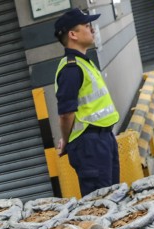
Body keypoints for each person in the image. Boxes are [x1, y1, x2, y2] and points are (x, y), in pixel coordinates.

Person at [53, 8, 121, 198]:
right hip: (89, 145)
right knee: (100, 202)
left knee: (114, 196)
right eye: (86, 25)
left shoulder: (84, 63)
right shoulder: (71, 69)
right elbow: (66, 113)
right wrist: (66, 140)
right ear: (73, 34)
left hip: (103, 138)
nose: (92, 29)